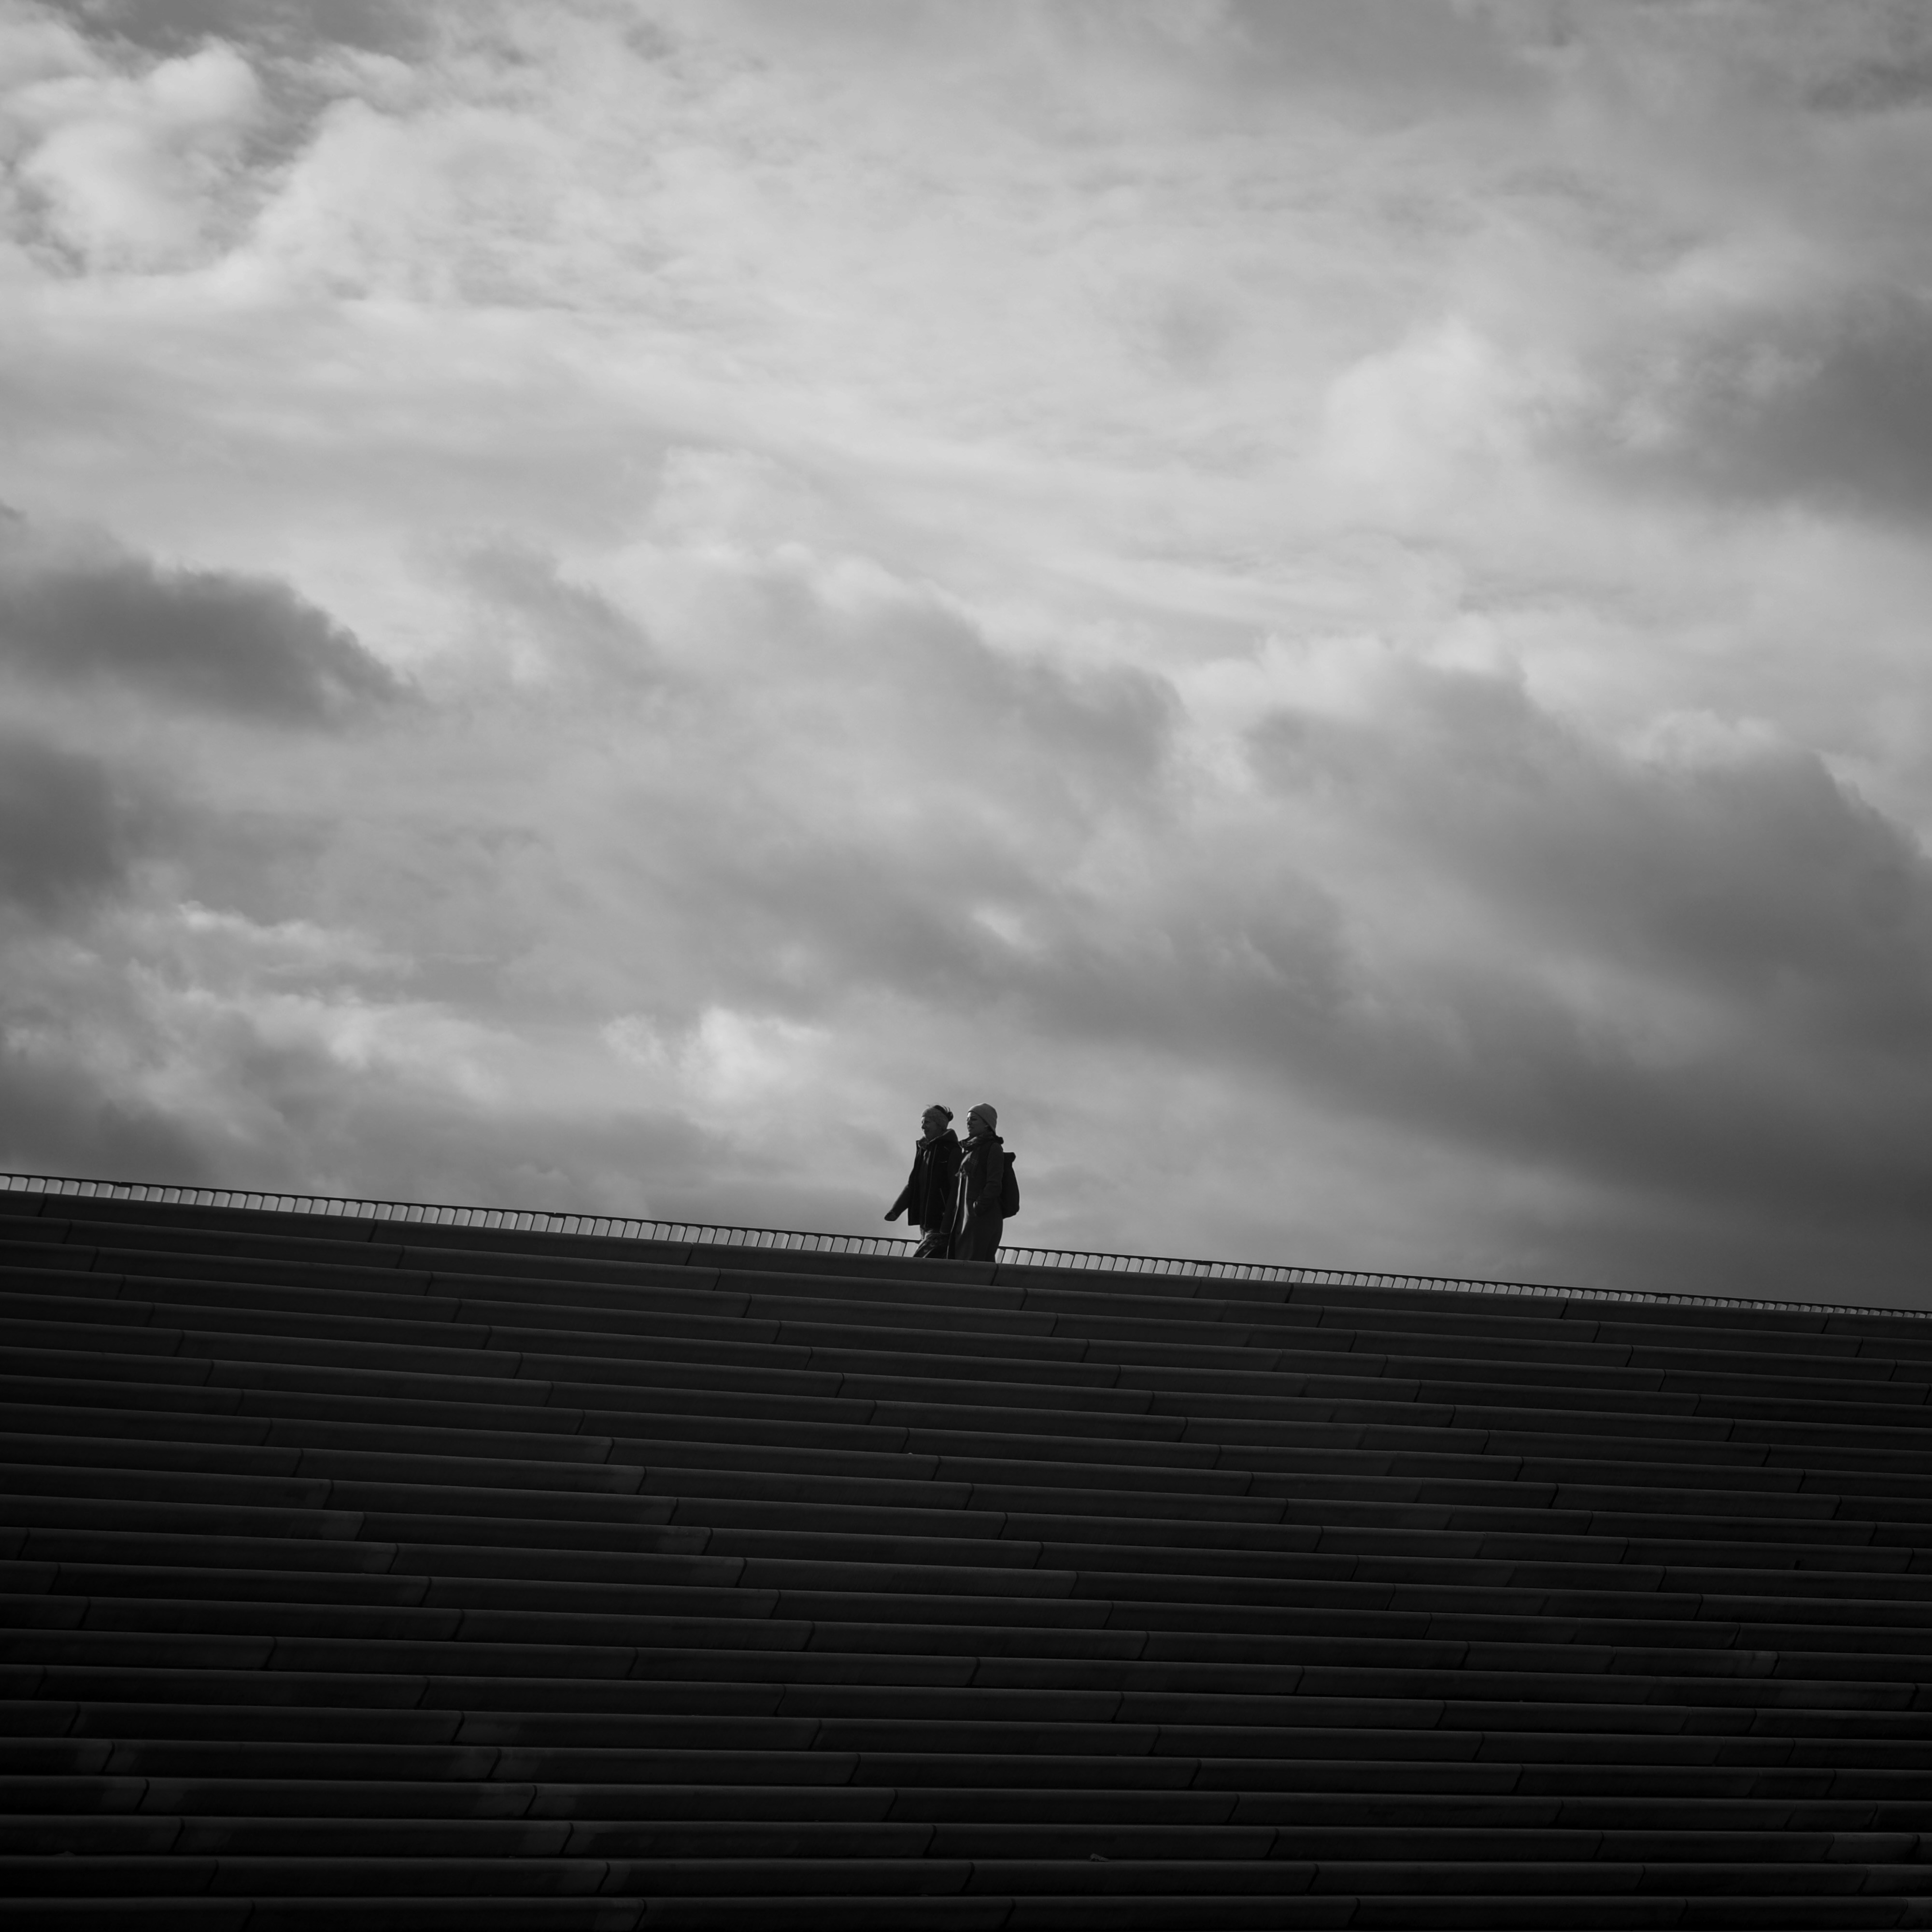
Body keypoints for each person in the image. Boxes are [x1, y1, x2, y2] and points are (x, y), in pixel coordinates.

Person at [885, 1104, 962, 1259]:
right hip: (925, 1221)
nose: (923, 1127)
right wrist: (896, 1211)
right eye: (922, 1122)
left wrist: (948, 1217)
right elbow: (913, 1184)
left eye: (927, 1122)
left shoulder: (951, 1150)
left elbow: (956, 1187)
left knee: (920, 1263)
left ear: (940, 1125)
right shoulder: (923, 1150)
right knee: (933, 1265)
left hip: (940, 1221)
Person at [950, 1102, 1009, 1264]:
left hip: (981, 1219)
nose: (969, 1123)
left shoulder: (993, 1148)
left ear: (987, 1124)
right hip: (966, 1220)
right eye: (968, 1119)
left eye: (974, 1119)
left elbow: (994, 1184)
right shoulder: (969, 1150)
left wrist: (977, 1208)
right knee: (963, 1267)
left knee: (974, 1268)